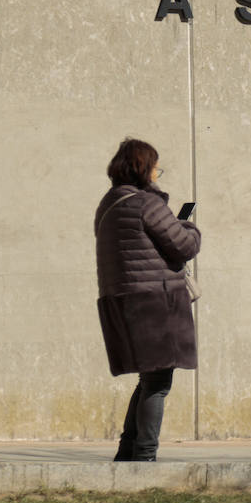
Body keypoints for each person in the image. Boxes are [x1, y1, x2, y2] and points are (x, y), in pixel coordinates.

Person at [94, 138, 201, 462]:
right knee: (158, 383)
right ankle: (144, 458)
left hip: (124, 301)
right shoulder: (147, 203)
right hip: (156, 303)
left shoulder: (109, 204)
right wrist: (189, 227)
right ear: (143, 169)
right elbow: (183, 246)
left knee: (148, 379)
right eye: (156, 167)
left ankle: (128, 454)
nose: (158, 173)